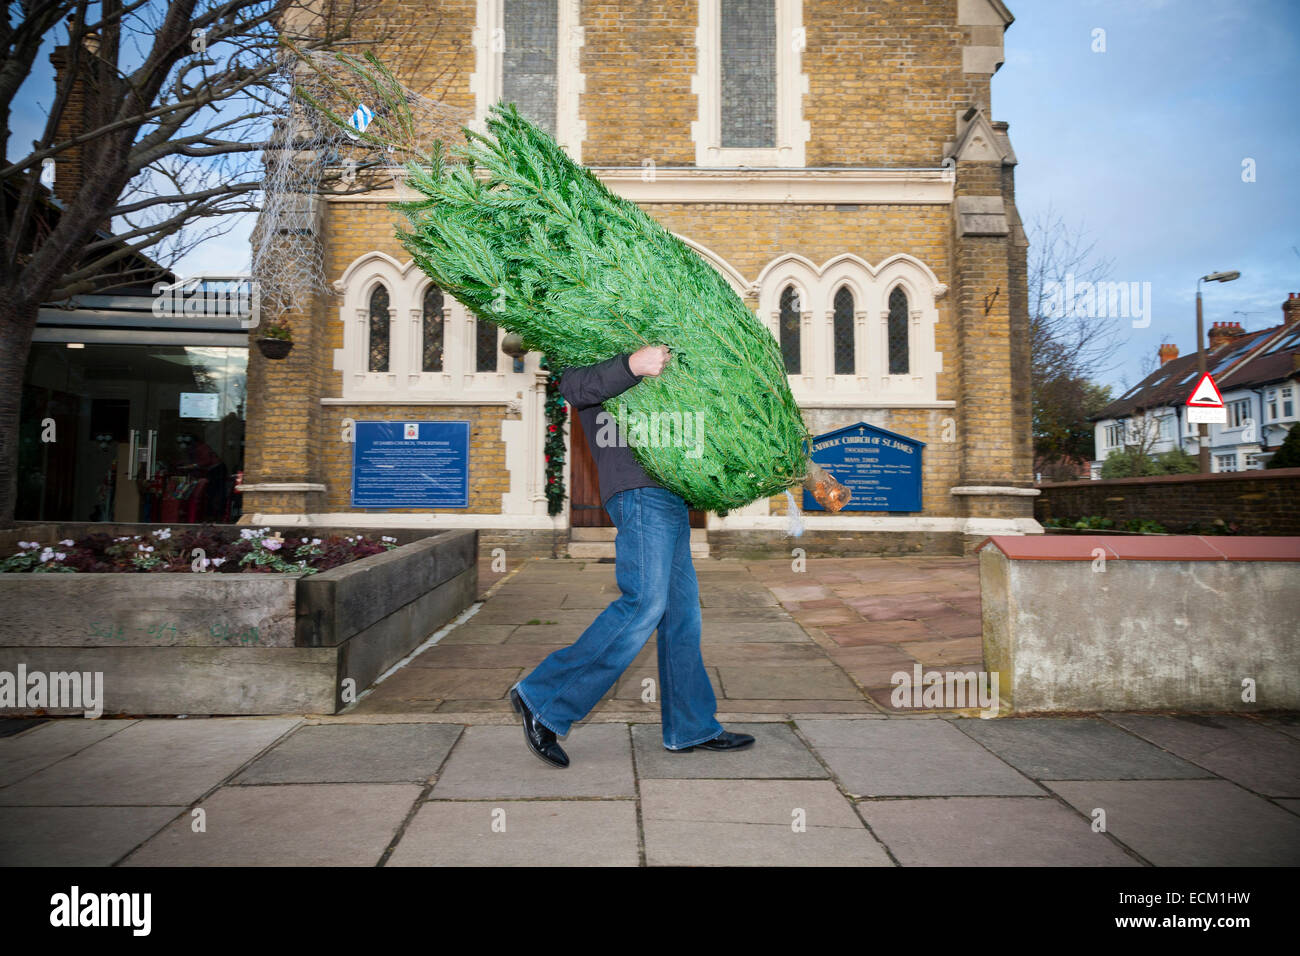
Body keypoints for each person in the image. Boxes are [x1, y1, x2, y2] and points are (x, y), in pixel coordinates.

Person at [509, 343, 755, 768]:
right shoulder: (595, 330)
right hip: (639, 486)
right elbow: (573, 385)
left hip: (672, 490)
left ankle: (691, 725)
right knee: (644, 602)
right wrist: (631, 364)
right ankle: (544, 697)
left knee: (681, 614)